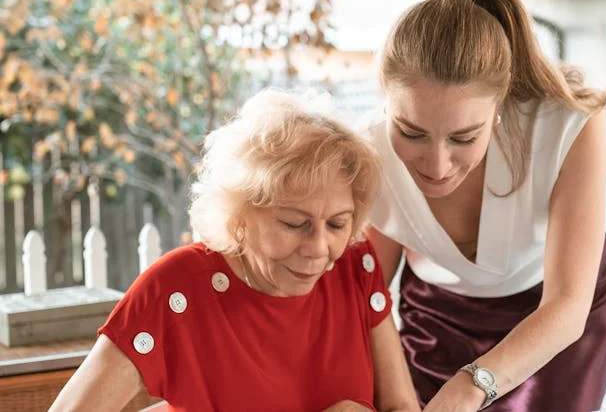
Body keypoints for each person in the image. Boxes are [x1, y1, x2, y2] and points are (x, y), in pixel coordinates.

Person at [51, 90, 420, 412]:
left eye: (338, 224)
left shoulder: (355, 264)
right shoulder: (176, 291)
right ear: (240, 214)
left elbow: (401, 405)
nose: (319, 249)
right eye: (294, 224)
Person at [365, 0, 606, 411]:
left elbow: (566, 305)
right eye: (411, 132)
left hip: (558, 316)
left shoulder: (569, 124)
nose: (436, 165)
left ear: (500, 103)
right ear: (385, 100)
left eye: (464, 138)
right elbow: (364, 297)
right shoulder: (367, 152)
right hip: (436, 316)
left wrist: (469, 387)